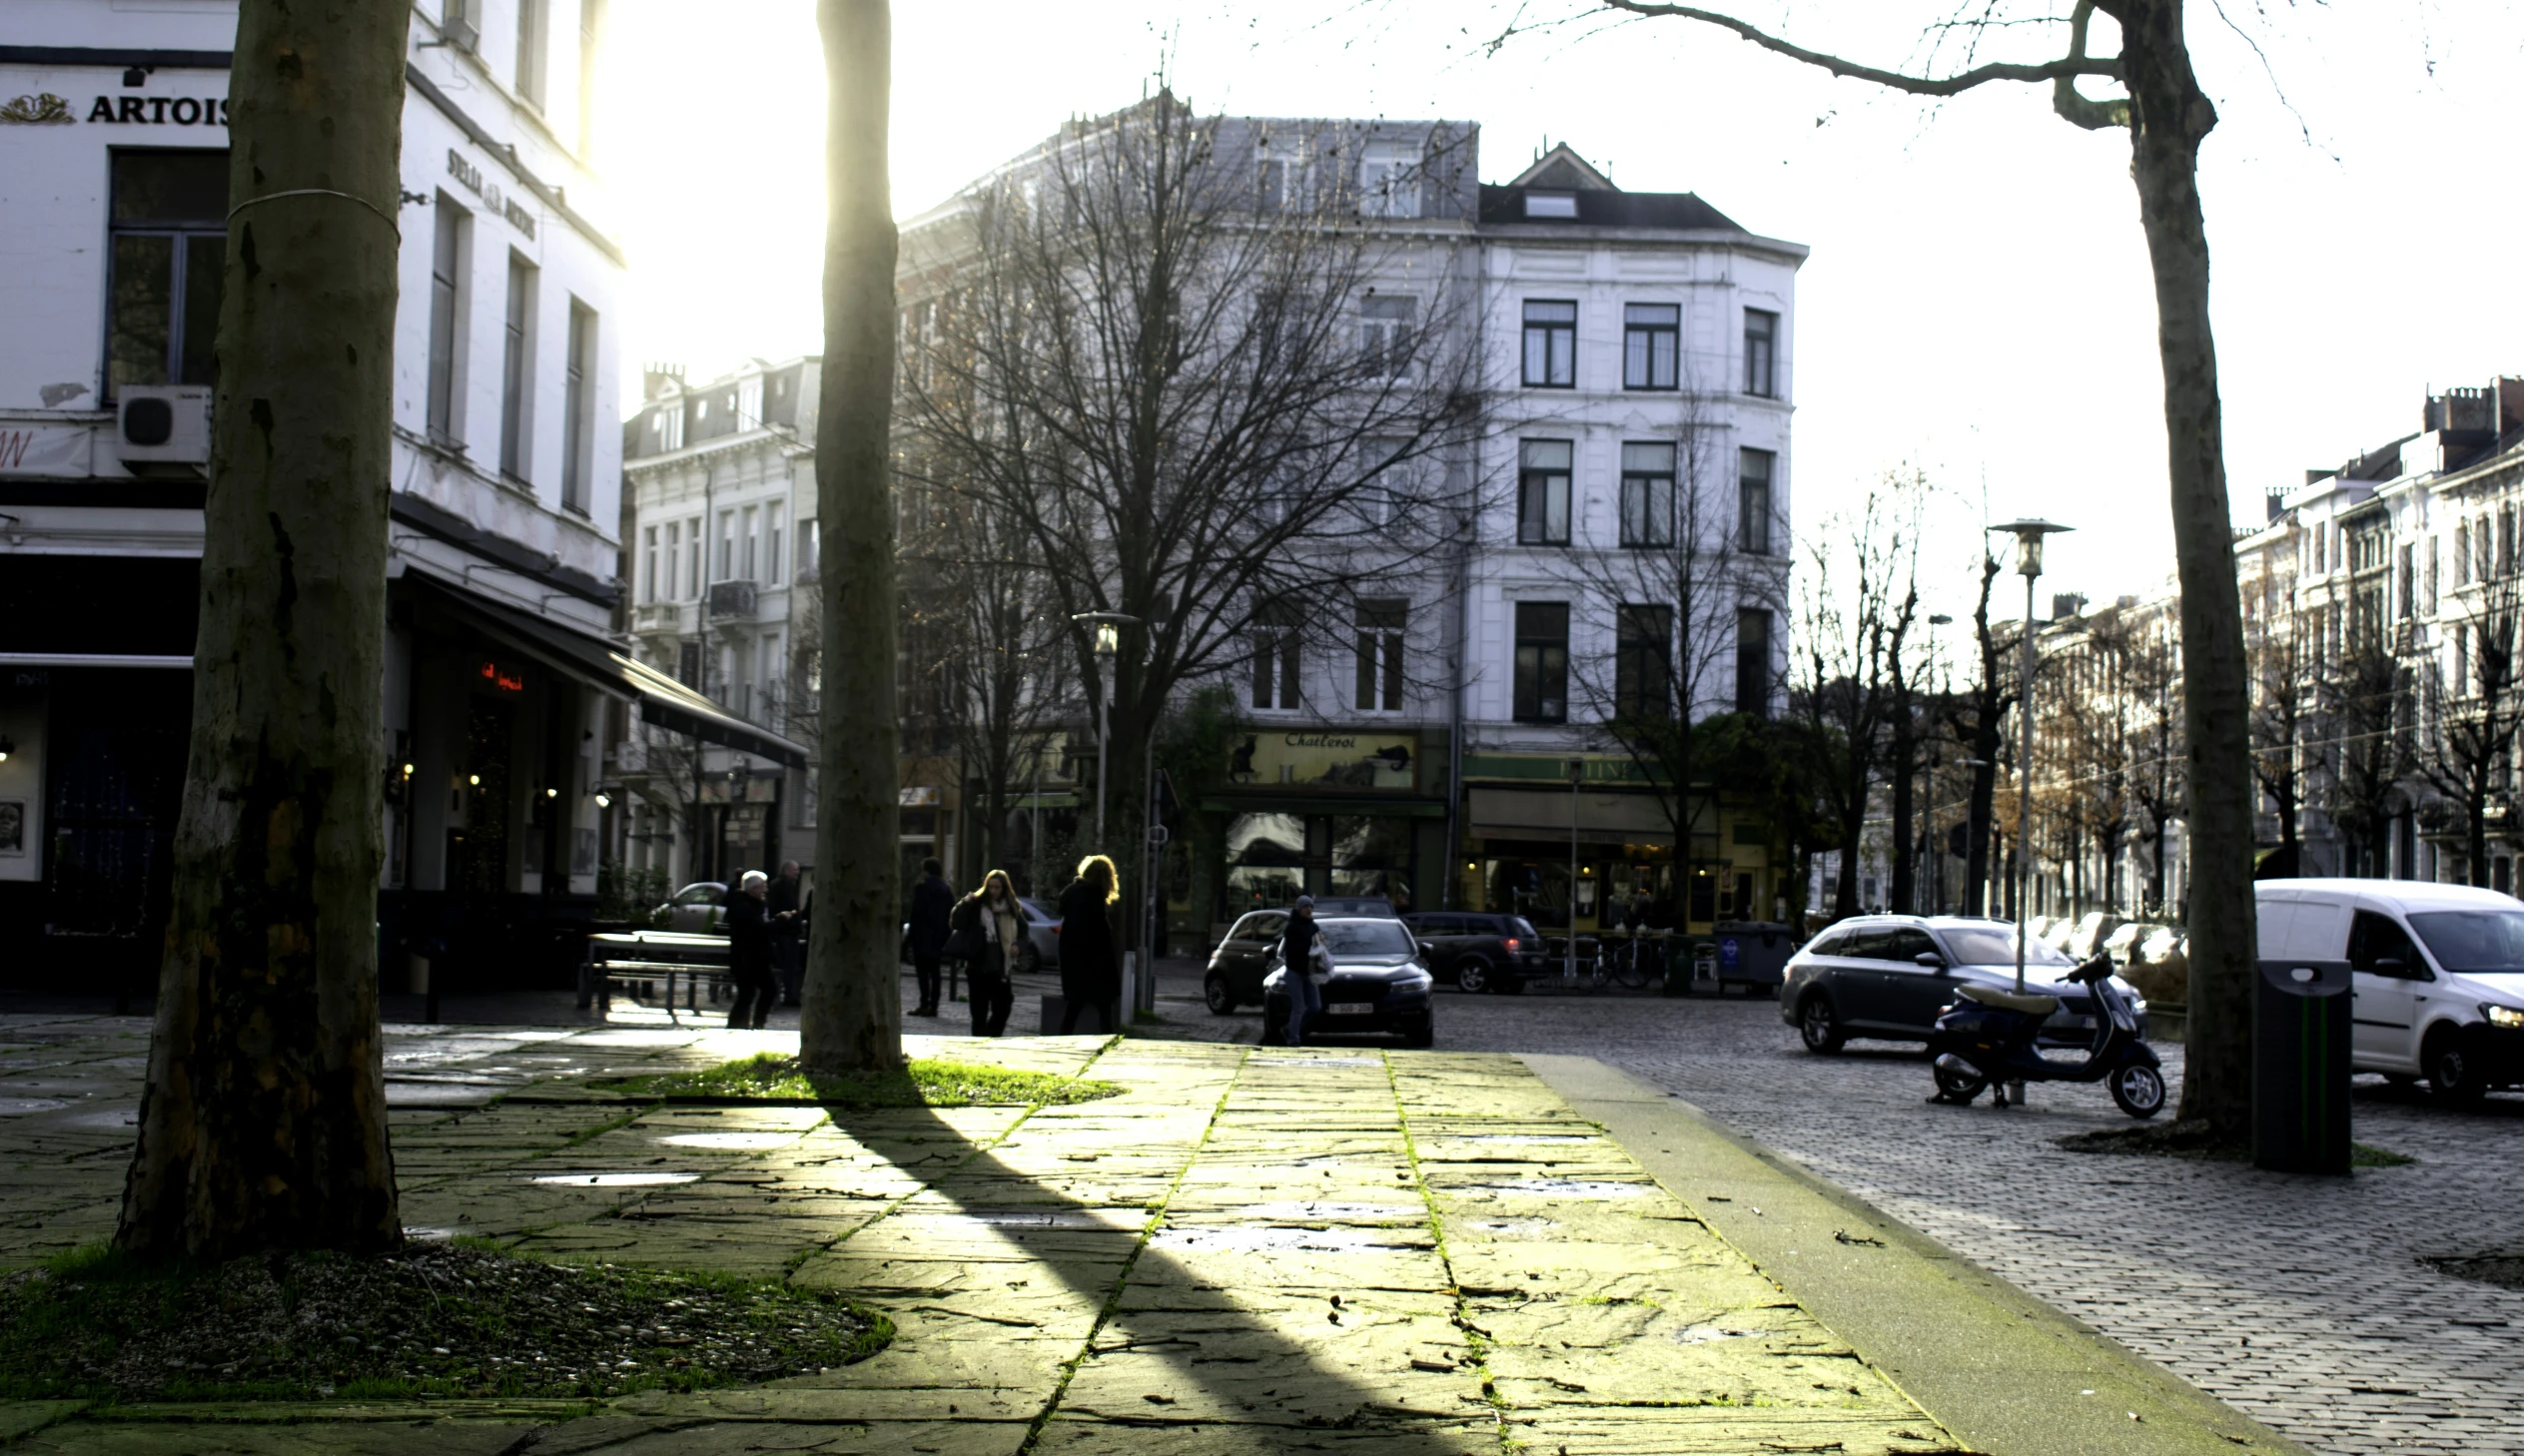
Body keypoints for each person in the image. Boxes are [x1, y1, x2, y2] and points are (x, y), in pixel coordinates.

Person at [1056, 854, 1122, 1035]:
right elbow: (1100, 937)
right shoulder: (1093, 897)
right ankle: (1109, 1043)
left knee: (1074, 1008)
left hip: (1074, 963)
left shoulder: (1072, 893)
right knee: (1104, 1008)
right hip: (1094, 965)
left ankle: (1062, 1041)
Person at [954, 869, 1023, 1037]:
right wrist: (964, 903)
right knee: (979, 1011)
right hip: (978, 965)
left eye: (997, 887)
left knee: (1004, 1006)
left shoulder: (1011, 907)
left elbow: (1023, 931)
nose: (993, 891)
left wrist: (1018, 944)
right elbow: (956, 922)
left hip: (1000, 967)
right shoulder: (977, 905)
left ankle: (991, 1036)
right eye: (990, 887)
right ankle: (978, 1042)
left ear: (1004, 888)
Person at [725, 870, 776, 1029]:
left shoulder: (748, 905)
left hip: (752, 957)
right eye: (762, 887)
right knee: (753, 993)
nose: (765, 891)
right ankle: (752, 1025)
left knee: (751, 994)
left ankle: (749, 1025)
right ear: (753, 889)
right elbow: (757, 929)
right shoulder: (744, 907)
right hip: (748, 958)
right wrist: (778, 922)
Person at [907, 856, 956, 1017]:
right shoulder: (946, 889)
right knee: (935, 973)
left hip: (922, 936)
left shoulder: (922, 887)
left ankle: (924, 1003)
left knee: (922, 973)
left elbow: (916, 913)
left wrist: (911, 936)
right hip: (939, 936)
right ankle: (934, 1006)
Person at [1277, 895, 1329, 1047]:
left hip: (1309, 972)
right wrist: (1310, 947)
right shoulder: (1292, 927)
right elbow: (1294, 950)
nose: (1309, 909)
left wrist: (1321, 945)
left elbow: (1320, 944)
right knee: (1298, 1007)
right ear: (1299, 908)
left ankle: (1289, 1029)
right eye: (1306, 906)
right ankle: (1293, 1039)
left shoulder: (1313, 926)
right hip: (1294, 972)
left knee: (1315, 1006)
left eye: (1311, 907)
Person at [768, 860, 805, 1006]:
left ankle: (789, 994)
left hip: (788, 930)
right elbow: (776, 908)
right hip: (785, 931)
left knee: (790, 964)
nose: (798, 872)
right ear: (787, 870)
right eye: (795, 869)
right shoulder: (781, 885)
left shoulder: (788, 885)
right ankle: (789, 995)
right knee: (788, 964)